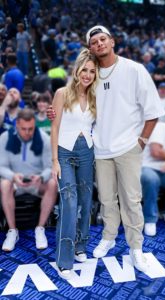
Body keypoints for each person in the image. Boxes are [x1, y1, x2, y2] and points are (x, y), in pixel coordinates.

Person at [86, 26, 165, 270]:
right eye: (94, 42)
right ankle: (108, 237)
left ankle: (136, 247)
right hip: (101, 149)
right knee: (107, 199)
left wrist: (141, 140)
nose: (99, 44)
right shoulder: (89, 74)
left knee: (131, 200)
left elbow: (153, 110)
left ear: (112, 41)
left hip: (128, 146)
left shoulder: (134, 69)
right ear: (90, 48)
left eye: (103, 39)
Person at [51, 49, 98, 279]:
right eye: (84, 70)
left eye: (92, 71)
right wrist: (54, 161)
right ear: (76, 69)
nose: (87, 75)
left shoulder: (96, 96)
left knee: (86, 201)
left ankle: (81, 246)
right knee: (69, 203)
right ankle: (64, 260)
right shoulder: (61, 93)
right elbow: (55, 128)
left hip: (87, 153)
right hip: (64, 153)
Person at [0, 109, 57, 252]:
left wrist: (41, 177)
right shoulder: (5, 138)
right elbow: (1, 166)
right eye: (23, 129)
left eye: (31, 129)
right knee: (4, 183)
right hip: (15, 181)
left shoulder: (43, 138)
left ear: (34, 125)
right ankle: (12, 231)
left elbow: (49, 167)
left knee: (52, 183)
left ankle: (40, 228)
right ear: (17, 124)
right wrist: (13, 176)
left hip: (36, 181)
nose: (27, 132)